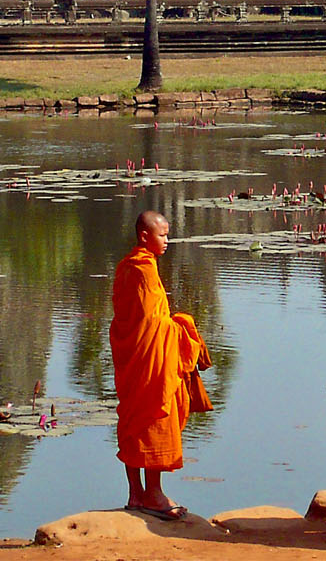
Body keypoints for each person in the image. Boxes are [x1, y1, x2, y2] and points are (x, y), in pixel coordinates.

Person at [110, 210, 211, 522]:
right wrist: (183, 327)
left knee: (132, 417)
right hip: (150, 360)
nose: (167, 240)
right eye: (163, 235)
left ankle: (135, 493)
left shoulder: (126, 267)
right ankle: (153, 494)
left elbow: (127, 320)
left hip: (133, 358)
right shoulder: (143, 270)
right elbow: (154, 323)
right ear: (145, 237)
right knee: (156, 413)